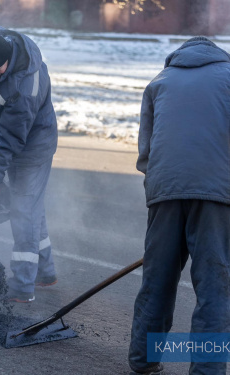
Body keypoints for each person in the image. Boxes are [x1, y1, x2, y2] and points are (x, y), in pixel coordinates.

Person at [129, 36, 230, 375]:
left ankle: (144, 360)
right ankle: (207, 370)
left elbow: (146, 154)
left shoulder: (159, 82)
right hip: (217, 195)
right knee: (214, 287)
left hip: (165, 190)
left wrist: (164, 192)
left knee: (158, 279)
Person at [0, 27, 58, 303]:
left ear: (9, 58)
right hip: (22, 141)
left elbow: (9, 141)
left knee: (23, 213)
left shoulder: (23, 89)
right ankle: (46, 272)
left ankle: (22, 287)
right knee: (31, 207)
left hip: (32, 149)